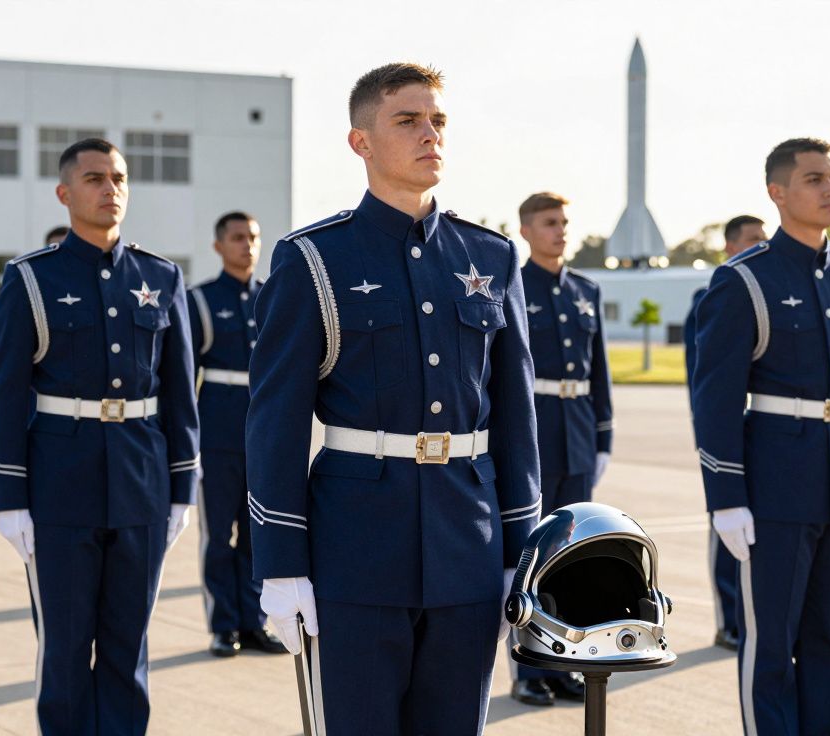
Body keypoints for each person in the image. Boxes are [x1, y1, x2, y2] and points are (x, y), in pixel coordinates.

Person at [246, 63, 540, 735]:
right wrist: (282, 565)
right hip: (355, 551)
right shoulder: (314, 259)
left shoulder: (491, 257)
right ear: (362, 142)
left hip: (467, 543)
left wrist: (518, 551)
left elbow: (516, 415)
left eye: (438, 120)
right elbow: (276, 424)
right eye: (407, 120)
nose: (429, 134)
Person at [0, 138, 200, 735]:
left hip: (141, 480)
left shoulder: (161, 275)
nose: (111, 190)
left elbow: (181, 389)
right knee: (66, 647)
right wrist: (9, 497)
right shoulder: (31, 279)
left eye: (120, 179)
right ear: (65, 193)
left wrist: (183, 486)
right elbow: (3, 393)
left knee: (129, 647)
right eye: (96, 179)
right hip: (60, 484)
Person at [692, 138, 830, 735]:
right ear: (777, 193)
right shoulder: (742, 281)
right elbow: (716, 399)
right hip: (776, 485)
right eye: (813, 179)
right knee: (772, 644)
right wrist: (725, 496)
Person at [508, 191, 612, 705]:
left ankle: (563, 663)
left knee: (573, 559)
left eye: (565, 222)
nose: (560, 231)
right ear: (526, 230)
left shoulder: (585, 290)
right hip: (533, 430)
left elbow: (600, 372)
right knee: (532, 558)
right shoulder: (512, 286)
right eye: (550, 223)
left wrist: (604, 435)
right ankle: (528, 671)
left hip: (575, 431)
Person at [187, 211, 287, 658]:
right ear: (218, 245)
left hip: (264, 437)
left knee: (257, 535)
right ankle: (223, 624)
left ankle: (254, 621)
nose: (247, 245)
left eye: (253, 237)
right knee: (217, 537)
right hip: (217, 436)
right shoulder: (201, 300)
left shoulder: (274, 297)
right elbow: (185, 376)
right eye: (237, 237)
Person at [683, 213, 766, 651]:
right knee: (726, 523)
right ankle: (729, 618)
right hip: (728, 431)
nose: (760, 245)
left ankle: (749, 614)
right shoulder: (712, 295)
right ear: (731, 247)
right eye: (752, 239)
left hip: (767, 431)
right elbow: (706, 380)